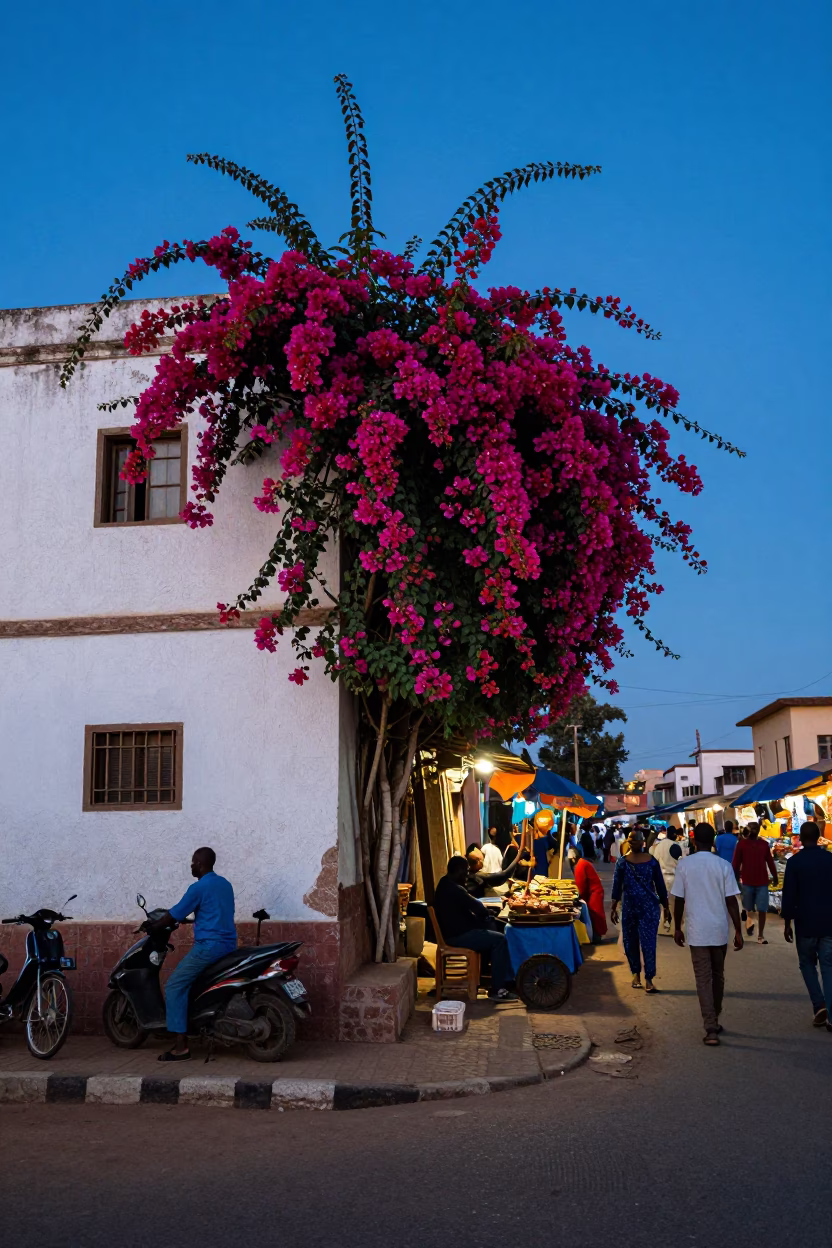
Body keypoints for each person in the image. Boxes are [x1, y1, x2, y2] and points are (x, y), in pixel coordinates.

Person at [151, 847, 237, 1062]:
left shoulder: (198, 888)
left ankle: (180, 1047)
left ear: (199, 863)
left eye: (192, 862)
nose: (191, 866)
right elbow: (213, 911)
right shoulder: (225, 884)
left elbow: (174, 913)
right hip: (228, 945)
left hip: (208, 946)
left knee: (174, 985)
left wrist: (154, 927)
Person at [671, 823, 743, 1046]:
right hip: (719, 929)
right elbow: (732, 901)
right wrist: (739, 930)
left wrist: (677, 927)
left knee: (703, 978)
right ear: (713, 840)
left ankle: (710, 1027)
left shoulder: (684, 865)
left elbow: (679, 900)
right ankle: (714, 1017)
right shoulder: (723, 865)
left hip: (697, 931)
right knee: (717, 976)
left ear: (693, 840)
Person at [433, 856, 516, 1000]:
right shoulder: (454, 888)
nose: (467, 874)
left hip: (455, 931)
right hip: (457, 936)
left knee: (490, 927)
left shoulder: (445, 883)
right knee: (499, 940)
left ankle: (486, 974)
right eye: (465, 871)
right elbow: (477, 907)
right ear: (459, 871)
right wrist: (485, 912)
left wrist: (485, 914)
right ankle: (498, 989)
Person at [781, 822, 832, 1030]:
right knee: (829, 967)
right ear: (819, 837)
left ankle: (819, 1004)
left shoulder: (795, 862)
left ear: (800, 838)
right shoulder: (830, 860)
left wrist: (787, 922)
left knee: (807, 964)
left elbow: (789, 895)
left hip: (805, 924)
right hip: (829, 924)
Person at [610, 829, 671, 992]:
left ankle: (646, 977)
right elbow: (617, 886)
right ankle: (638, 975)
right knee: (633, 942)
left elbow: (660, 886)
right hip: (641, 907)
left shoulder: (630, 862)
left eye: (635, 841)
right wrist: (613, 906)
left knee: (644, 942)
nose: (634, 843)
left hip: (640, 908)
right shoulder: (645, 861)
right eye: (632, 841)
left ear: (642, 843)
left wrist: (666, 906)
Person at [732, 821, 778, 944]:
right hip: (760, 881)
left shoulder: (743, 845)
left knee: (750, 907)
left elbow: (736, 863)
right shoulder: (763, 845)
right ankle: (760, 935)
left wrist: (733, 877)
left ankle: (752, 925)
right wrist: (775, 876)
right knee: (760, 909)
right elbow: (770, 863)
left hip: (749, 881)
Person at [650, 827, 683, 933]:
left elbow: (654, 862)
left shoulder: (658, 846)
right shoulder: (676, 846)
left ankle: (663, 927)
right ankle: (675, 928)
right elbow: (681, 863)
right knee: (674, 904)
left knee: (663, 903)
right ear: (675, 835)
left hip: (661, 878)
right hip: (673, 878)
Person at [573, 854, 608, 941]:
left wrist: (578, 896)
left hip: (594, 892)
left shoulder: (580, 865)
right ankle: (595, 936)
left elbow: (581, 884)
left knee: (595, 914)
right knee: (594, 915)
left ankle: (596, 937)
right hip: (594, 892)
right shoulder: (583, 863)